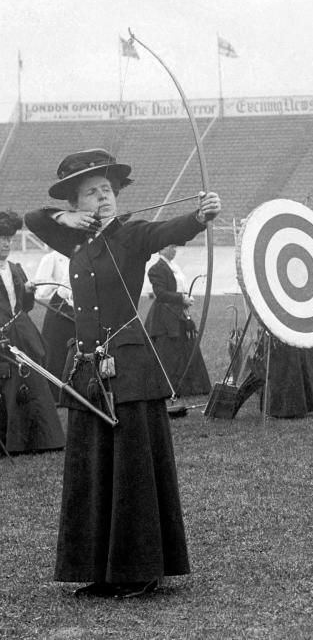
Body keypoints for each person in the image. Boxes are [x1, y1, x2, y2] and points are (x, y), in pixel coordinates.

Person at [25, 148, 222, 597]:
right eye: (91, 193)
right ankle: (99, 570)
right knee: (93, 469)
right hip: (89, 372)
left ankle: (141, 570)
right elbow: (32, 218)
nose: (103, 198)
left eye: (108, 190)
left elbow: (170, 229)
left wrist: (200, 215)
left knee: (132, 469)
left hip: (130, 368)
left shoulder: (132, 235)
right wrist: (63, 219)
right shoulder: (74, 241)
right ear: (76, 204)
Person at [0, 211, 64, 454]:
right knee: (10, 385)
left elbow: (26, 307)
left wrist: (28, 291)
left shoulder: (15, 268)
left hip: (23, 333)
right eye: (0, 239)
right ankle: (13, 443)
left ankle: (43, 440)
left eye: (8, 239)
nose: (5, 244)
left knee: (34, 382)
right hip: (3, 337)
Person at [144, 245, 211, 396]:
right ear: (161, 249)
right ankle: (169, 388)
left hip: (178, 313)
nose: (174, 250)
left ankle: (188, 387)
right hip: (164, 317)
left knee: (184, 348)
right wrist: (181, 298)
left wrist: (184, 299)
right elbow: (160, 293)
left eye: (175, 247)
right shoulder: (156, 268)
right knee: (169, 352)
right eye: (171, 247)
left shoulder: (174, 267)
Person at [33, 248, 75, 376]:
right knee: (56, 354)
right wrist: (57, 285)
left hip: (81, 309)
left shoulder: (85, 254)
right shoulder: (52, 257)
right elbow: (40, 290)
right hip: (60, 309)